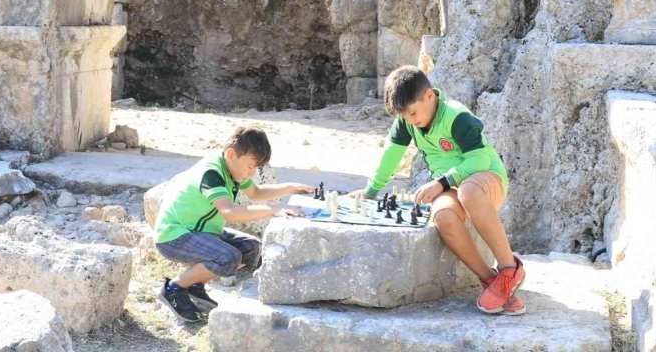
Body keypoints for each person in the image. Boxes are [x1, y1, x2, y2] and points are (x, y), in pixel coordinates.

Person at [351, 65, 526, 315]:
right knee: (442, 217)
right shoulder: (407, 120)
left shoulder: (456, 116)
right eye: (405, 117)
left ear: (430, 95)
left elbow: (479, 161)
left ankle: (510, 269)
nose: (411, 121)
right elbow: (392, 154)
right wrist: (370, 192)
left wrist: (441, 183)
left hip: (485, 182)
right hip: (452, 188)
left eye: (413, 112)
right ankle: (491, 281)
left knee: (468, 191)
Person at [154, 126, 312, 322]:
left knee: (251, 248)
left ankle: (195, 284)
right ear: (231, 154)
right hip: (174, 237)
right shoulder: (212, 174)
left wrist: (290, 188)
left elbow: (256, 193)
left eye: (256, 168)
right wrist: (273, 210)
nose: (252, 173)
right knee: (229, 257)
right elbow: (231, 213)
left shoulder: (232, 168)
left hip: (201, 231)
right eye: (250, 167)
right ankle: (174, 288)